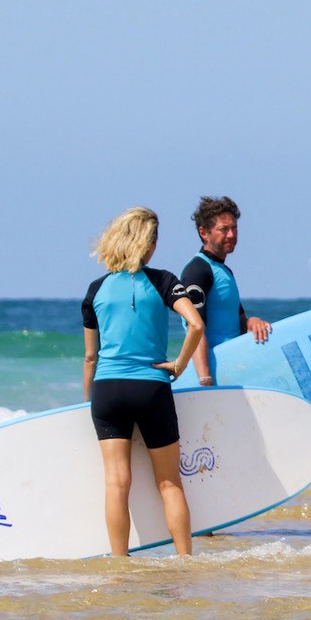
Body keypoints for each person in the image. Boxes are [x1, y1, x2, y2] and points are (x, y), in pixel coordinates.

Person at [82, 207, 205, 556]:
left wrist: (89, 400)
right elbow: (196, 325)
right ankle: (185, 560)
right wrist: (180, 365)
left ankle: (120, 564)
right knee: (169, 483)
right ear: (147, 245)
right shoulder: (163, 281)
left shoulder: (96, 289)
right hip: (151, 387)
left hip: (107, 390)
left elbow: (91, 356)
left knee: (117, 483)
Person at [180, 195, 272, 386]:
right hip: (213, 374)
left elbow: (235, 322)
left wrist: (251, 322)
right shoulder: (197, 271)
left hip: (232, 369)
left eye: (234, 228)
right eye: (224, 229)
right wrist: (205, 380)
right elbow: (195, 328)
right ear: (204, 232)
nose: (231, 234)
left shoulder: (223, 271)